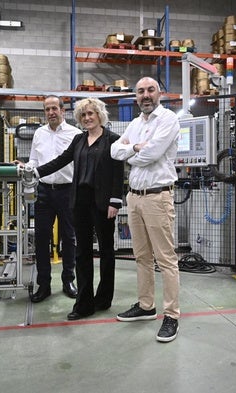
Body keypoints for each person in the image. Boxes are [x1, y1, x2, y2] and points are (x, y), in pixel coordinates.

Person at [34, 98, 124, 320]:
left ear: (100, 115)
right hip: (80, 202)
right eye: (83, 115)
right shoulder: (78, 139)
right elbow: (61, 160)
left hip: (103, 203)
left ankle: (103, 298)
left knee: (106, 252)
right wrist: (36, 172)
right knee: (82, 252)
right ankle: (84, 304)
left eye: (91, 114)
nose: (87, 118)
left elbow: (117, 173)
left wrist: (115, 202)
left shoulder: (113, 140)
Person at [110, 77, 181, 343]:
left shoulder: (168, 119)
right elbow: (114, 151)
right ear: (136, 96)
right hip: (134, 198)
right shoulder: (135, 123)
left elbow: (150, 155)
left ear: (159, 93)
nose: (145, 95)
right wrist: (134, 148)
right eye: (140, 91)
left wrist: (132, 152)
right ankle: (146, 305)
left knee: (165, 259)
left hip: (157, 197)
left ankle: (171, 315)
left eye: (150, 90)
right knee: (141, 256)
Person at [26, 95, 82, 303]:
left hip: (67, 191)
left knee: (69, 237)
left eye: (54, 109)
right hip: (43, 191)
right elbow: (34, 159)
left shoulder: (75, 134)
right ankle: (44, 284)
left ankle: (68, 280)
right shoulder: (39, 134)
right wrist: (27, 167)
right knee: (41, 238)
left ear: (62, 110)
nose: (51, 112)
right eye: (47, 109)